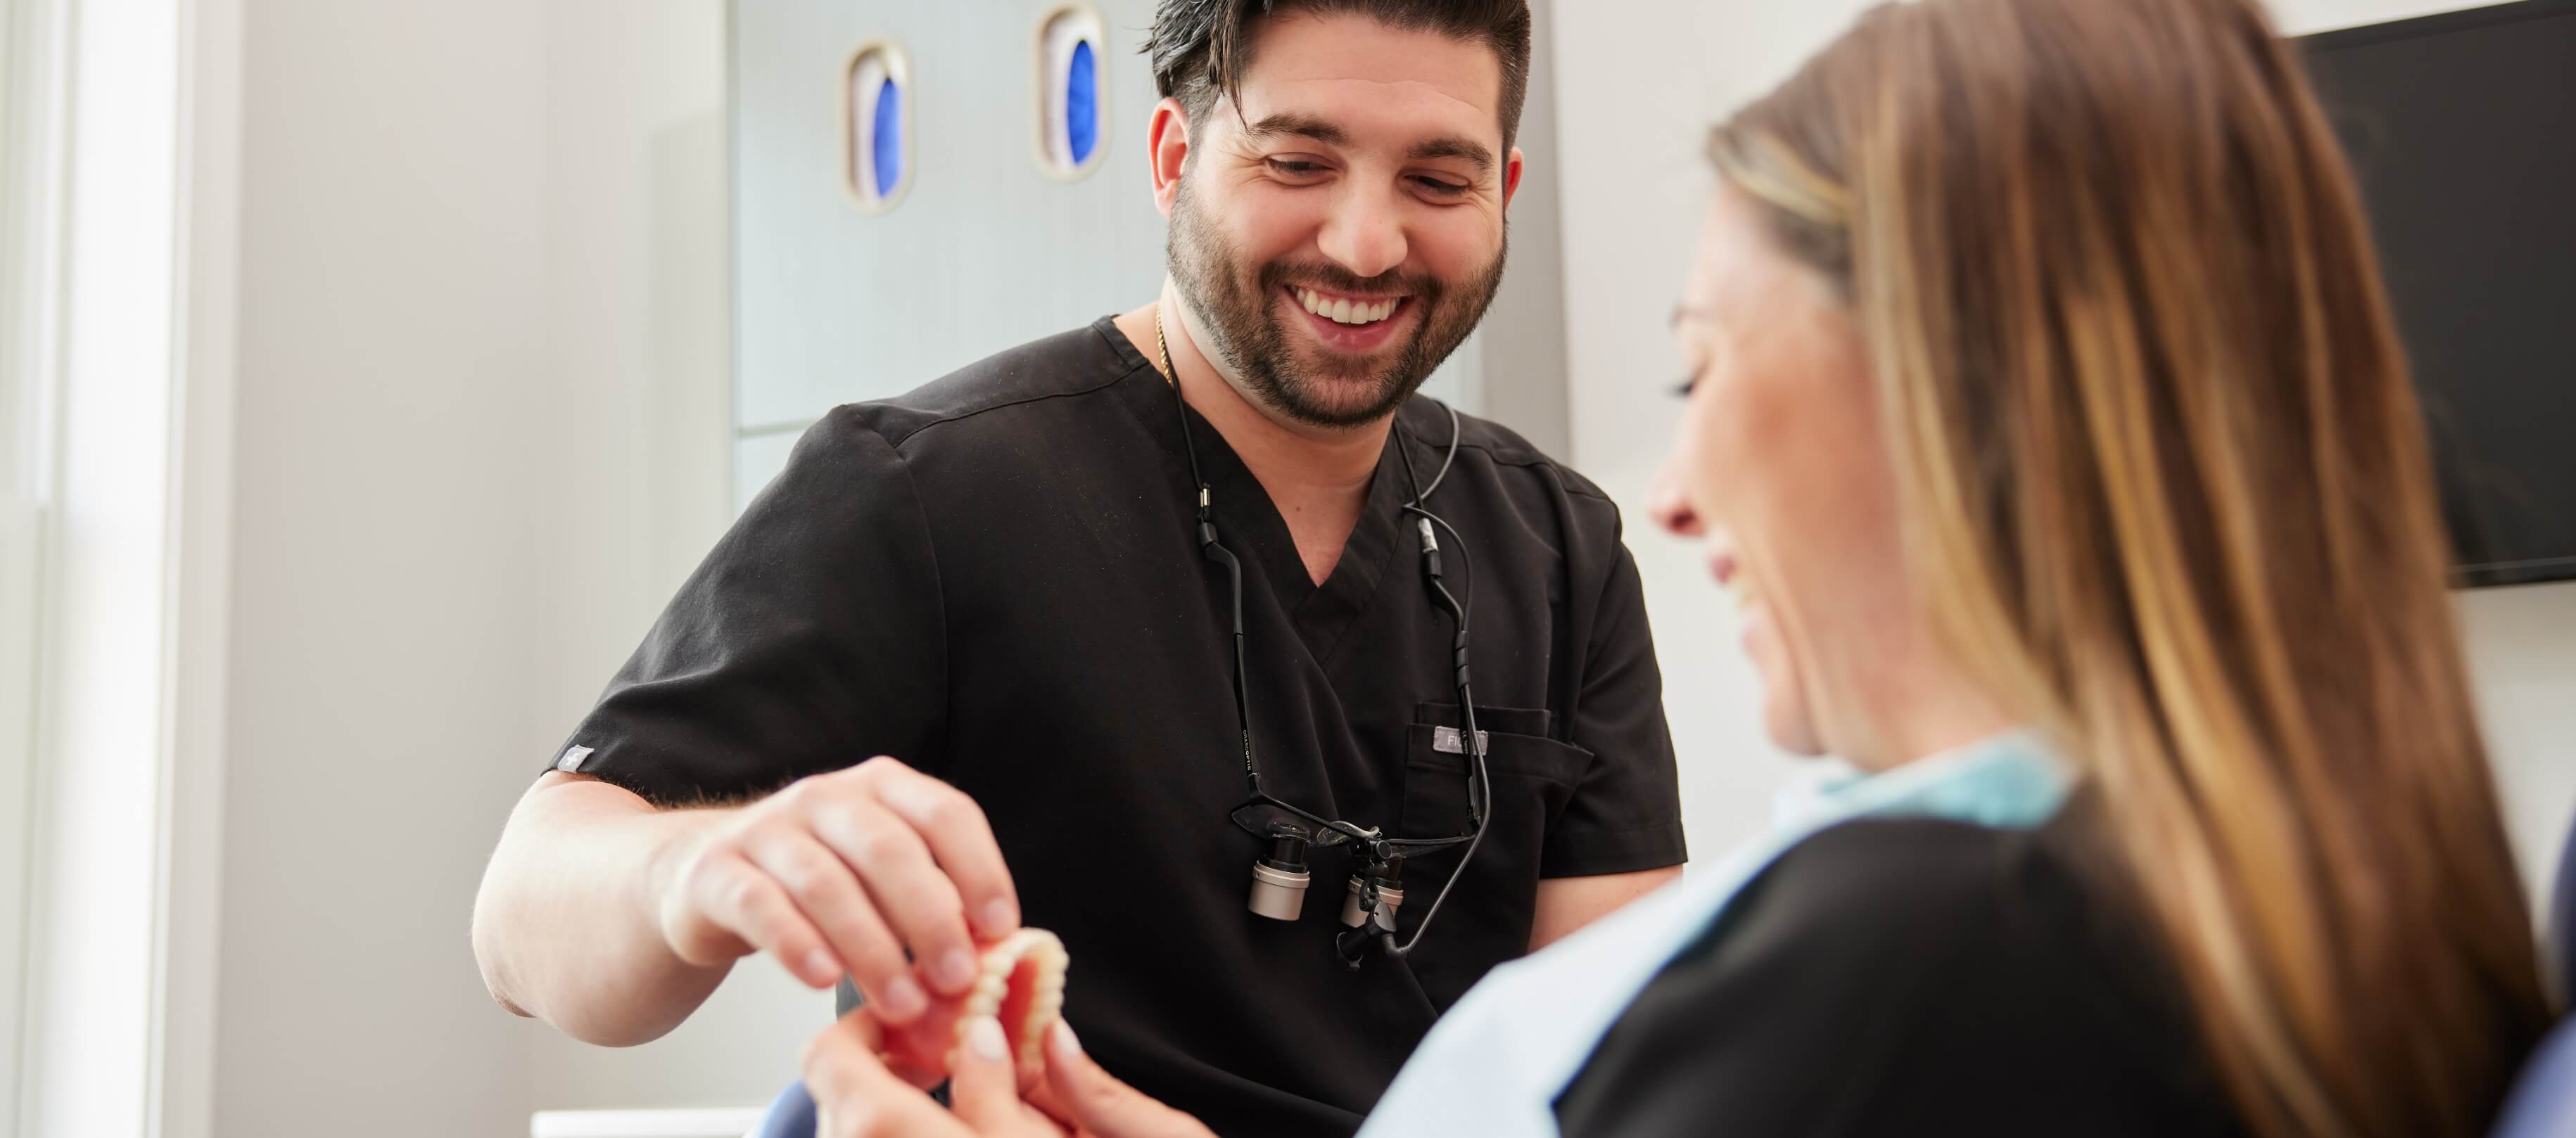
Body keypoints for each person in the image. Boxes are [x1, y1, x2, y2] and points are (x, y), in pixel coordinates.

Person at [795, 0, 2562, 1135]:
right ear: (1177, 158)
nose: (1681, 486)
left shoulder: (1924, 947)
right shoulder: (2340, 882)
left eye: (1702, 372)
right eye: (1299, 158)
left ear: (1954, 395)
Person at [469, 2, 1688, 1135]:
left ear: (1502, 192)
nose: (1365, 242)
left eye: (1436, 178)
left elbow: (1619, 1061)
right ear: (1172, 155)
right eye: (1295, 161)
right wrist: (699, 865)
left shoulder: (1557, 543)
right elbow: (522, 923)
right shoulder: (922, 488)